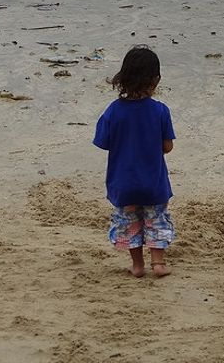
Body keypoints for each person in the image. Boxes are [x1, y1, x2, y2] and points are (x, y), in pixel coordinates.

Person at [93, 45, 175, 278]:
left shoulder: (113, 111)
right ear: (156, 80)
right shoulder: (160, 111)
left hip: (123, 183)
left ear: (122, 78)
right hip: (154, 183)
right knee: (156, 220)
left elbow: (103, 142)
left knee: (130, 224)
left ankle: (137, 266)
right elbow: (167, 146)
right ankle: (158, 264)